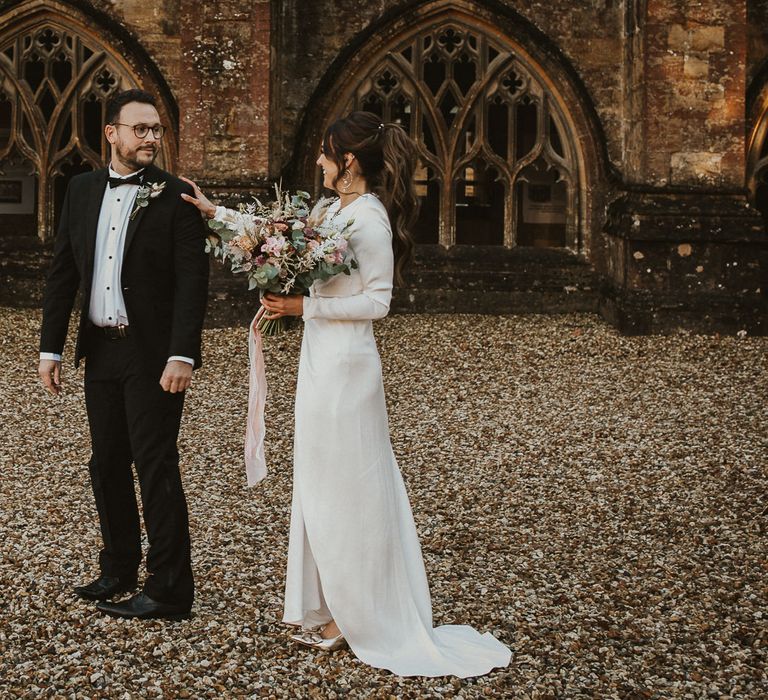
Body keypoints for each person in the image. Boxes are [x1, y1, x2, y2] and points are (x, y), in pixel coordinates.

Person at [183, 111, 511, 676]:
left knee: (348, 490)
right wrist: (217, 212)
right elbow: (272, 237)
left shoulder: (369, 221)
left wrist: (302, 306)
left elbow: (378, 301)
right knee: (319, 484)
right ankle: (331, 604)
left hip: (349, 371)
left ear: (349, 161)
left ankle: (358, 616)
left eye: (325, 153)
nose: (317, 161)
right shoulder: (330, 210)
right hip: (319, 361)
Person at [38, 89, 209, 620]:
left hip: (152, 353)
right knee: (106, 461)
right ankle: (118, 567)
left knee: (154, 464)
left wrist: (183, 353)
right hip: (99, 351)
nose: (151, 138)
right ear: (110, 133)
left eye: (156, 129)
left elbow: (192, 282)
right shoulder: (82, 189)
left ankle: (169, 589)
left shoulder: (175, 195)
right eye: (140, 129)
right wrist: (51, 347)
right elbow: (64, 270)